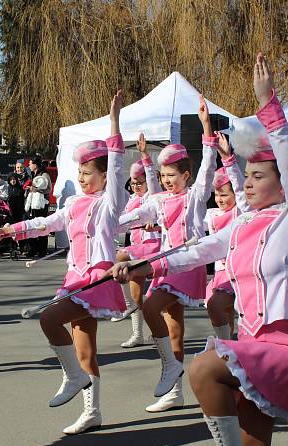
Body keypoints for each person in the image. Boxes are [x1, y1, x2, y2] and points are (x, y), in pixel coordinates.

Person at [112, 54, 288, 446]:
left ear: (282, 185)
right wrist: (142, 265)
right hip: (252, 341)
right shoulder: (243, 225)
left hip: (286, 344)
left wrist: (271, 106)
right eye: (244, 176)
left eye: (256, 177)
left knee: (205, 365)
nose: (245, 184)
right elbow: (195, 250)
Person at [0, 91, 127, 435]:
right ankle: (92, 411)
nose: (82, 178)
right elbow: (44, 224)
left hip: (96, 278)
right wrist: (9, 229)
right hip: (74, 277)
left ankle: (74, 377)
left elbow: (118, 161)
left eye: (89, 172)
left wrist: (113, 123)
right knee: (83, 345)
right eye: (79, 172)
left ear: (105, 177)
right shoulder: (74, 204)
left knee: (49, 318)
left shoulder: (110, 203)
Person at [118, 94, 217, 411]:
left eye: (171, 176)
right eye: (162, 177)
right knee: (174, 329)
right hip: (165, 264)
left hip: (187, 263)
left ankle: (172, 369)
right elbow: (133, 218)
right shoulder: (158, 201)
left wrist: (206, 127)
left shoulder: (196, 196)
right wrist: (104, 226)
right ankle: (174, 391)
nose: (165, 181)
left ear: (186, 176)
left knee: (150, 306)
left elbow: (208, 166)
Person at [114, 133, 162, 350]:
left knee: (119, 258)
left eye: (139, 182)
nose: (135, 186)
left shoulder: (154, 196)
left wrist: (145, 156)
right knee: (136, 295)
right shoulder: (132, 199)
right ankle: (138, 334)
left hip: (153, 247)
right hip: (137, 249)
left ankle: (125, 307)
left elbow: (152, 180)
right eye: (133, 183)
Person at [204, 133, 247, 344]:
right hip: (220, 274)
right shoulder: (211, 214)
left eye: (224, 195)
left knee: (221, 306)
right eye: (217, 195)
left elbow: (239, 188)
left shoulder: (240, 211)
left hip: (239, 271)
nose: (220, 199)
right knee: (223, 311)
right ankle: (228, 344)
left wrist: (228, 159)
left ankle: (227, 348)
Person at [25, 158, 52, 258]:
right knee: (32, 226)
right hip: (33, 204)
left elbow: (48, 189)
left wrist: (35, 189)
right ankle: (33, 249)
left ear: (36, 164)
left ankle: (42, 250)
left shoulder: (44, 174)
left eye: (30, 164)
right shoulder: (32, 174)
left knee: (41, 226)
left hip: (41, 204)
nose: (29, 166)